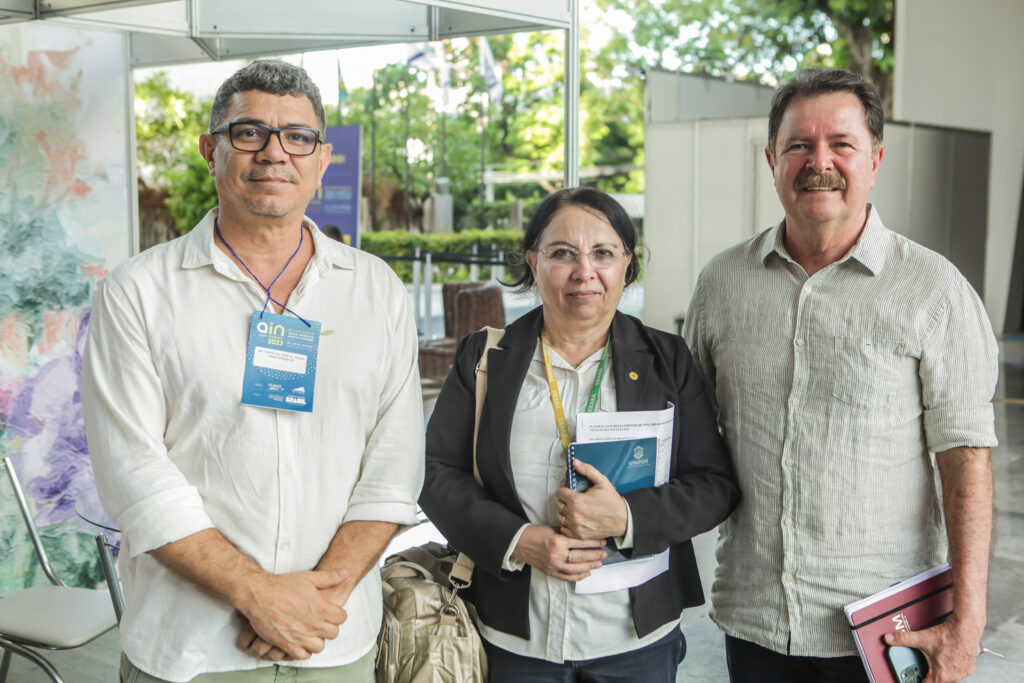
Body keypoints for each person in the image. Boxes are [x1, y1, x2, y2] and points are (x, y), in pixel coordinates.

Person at [81, 59, 424, 682]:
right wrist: (259, 596)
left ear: (322, 160)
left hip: (332, 640)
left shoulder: (377, 290)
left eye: (298, 137)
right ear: (210, 150)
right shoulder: (138, 292)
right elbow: (135, 474)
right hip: (192, 649)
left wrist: (312, 604)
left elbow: (394, 466)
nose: (274, 152)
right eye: (249, 133)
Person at [683, 67, 997, 683]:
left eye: (841, 144)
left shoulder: (935, 290)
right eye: (798, 145)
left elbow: (966, 460)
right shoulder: (721, 284)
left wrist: (969, 619)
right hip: (755, 619)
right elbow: (686, 434)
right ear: (771, 160)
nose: (818, 162)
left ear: (875, 160)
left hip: (887, 630)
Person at [420, 187, 740, 682]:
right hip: (514, 638)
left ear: (626, 265)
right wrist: (518, 540)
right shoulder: (485, 358)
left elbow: (714, 484)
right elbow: (435, 474)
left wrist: (628, 517)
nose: (584, 271)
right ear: (533, 262)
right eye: (563, 253)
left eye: (603, 253)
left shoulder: (668, 361)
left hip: (635, 640)